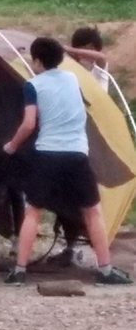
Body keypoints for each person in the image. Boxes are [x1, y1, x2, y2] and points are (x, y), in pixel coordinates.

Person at [2, 37, 130, 285]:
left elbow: (29, 124)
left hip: (47, 155)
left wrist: (11, 146)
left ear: (37, 60)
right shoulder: (73, 79)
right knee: (93, 212)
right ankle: (105, 270)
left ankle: (19, 271)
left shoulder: (32, 85)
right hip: (77, 154)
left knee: (33, 212)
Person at [52, 28, 110, 266]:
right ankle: (70, 246)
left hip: (94, 142)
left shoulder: (100, 70)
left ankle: (99, 251)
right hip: (71, 140)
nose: (84, 54)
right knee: (66, 196)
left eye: (88, 48)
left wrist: (67, 50)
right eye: (80, 48)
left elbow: (103, 58)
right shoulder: (68, 72)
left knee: (91, 201)